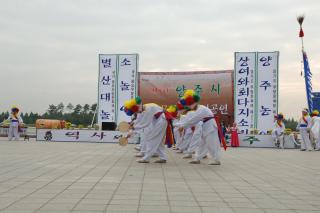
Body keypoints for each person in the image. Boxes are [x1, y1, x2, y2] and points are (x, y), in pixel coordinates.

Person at [174, 89, 226, 165]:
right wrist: (180, 124)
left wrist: (179, 125)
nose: (189, 108)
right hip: (205, 126)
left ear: (193, 104)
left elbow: (192, 120)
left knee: (212, 143)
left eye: (189, 106)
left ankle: (216, 160)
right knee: (202, 143)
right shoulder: (198, 109)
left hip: (210, 126)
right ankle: (197, 158)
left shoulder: (201, 109)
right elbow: (191, 120)